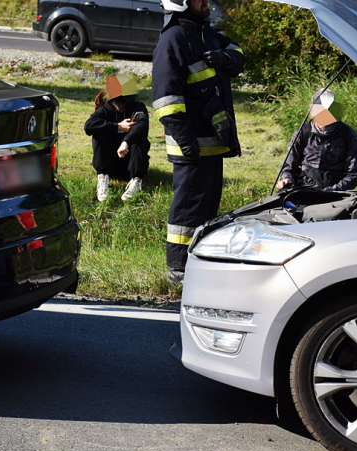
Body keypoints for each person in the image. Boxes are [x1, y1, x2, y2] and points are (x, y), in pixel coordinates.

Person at [151, 0, 245, 285]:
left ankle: (199, 262)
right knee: (188, 210)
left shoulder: (206, 34)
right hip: (192, 145)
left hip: (213, 143)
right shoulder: (173, 40)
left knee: (207, 211)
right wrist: (184, 139)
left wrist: (224, 58)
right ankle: (178, 269)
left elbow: (239, 54)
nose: (206, 2)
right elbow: (165, 98)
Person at [276, 88, 357, 191]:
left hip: (336, 192)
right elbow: (289, 167)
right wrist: (287, 179)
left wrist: (333, 190)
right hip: (304, 188)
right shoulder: (302, 132)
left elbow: (354, 175)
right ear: (312, 111)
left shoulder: (348, 134)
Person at [84, 74, 151, 202]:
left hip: (131, 163)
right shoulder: (104, 110)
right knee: (99, 133)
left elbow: (143, 127)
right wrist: (118, 126)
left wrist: (126, 142)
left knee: (140, 137)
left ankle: (136, 181)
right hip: (109, 164)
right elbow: (88, 126)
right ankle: (103, 177)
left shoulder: (138, 107)